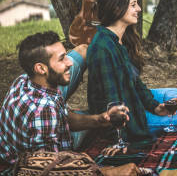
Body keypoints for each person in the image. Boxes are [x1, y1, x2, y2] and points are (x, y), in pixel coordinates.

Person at [0, 31, 140, 175]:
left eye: (66, 55)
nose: (70, 62)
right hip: (31, 161)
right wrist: (107, 172)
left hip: (16, 144)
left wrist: (99, 119)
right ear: (41, 68)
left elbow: (63, 116)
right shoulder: (44, 112)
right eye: (61, 59)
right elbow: (46, 169)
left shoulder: (26, 80)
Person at [87, 0, 177, 141]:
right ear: (117, 9)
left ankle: (157, 110)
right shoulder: (103, 48)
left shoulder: (119, 38)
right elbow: (112, 101)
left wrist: (155, 106)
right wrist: (119, 139)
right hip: (129, 113)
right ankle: (153, 119)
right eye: (133, 5)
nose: (138, 8)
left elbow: (134, 82)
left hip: (132, 96)